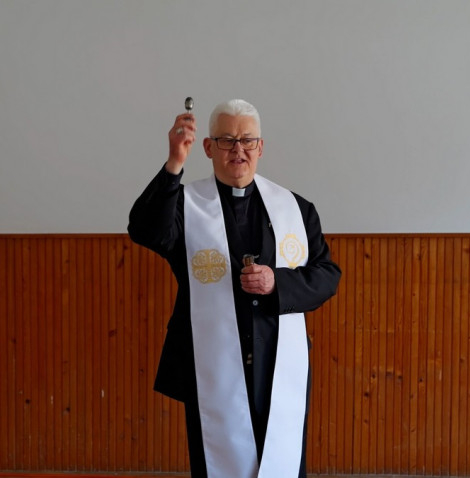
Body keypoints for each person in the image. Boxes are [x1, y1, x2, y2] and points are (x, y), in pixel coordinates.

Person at [128, 98, 341, 478]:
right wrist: (174, 163)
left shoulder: (296, 209)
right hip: (207, 360)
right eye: (226, 140)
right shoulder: (185, 205)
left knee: (281, 456)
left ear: (261, 147)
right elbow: (145, 230)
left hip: (277, 361)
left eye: (247, 140)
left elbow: (327, 275)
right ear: (208, 148)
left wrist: (277, 282)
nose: (238, 150)